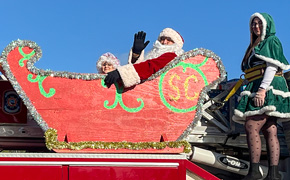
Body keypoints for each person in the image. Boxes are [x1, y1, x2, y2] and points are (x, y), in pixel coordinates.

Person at [232, 12, 290, 180]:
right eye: (253, 24)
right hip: (256, 84)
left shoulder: (271, 41)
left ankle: (255, 171)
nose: (255, 26)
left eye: (259, 23)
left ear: (267, 25)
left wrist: (262, 90)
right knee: (269, 128)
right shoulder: (254, 44)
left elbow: (272, 66)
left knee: (252, 125)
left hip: (268, 85)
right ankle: (274, 173)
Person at [104, 27, 184, 88]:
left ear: (176, 44)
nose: (164, 42)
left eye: (169, 40)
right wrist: (136, 54)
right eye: (162, 39)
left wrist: (121, 73)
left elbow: (151, 66)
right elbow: (142, 72)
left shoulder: (173, 55)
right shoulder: (155, 55)